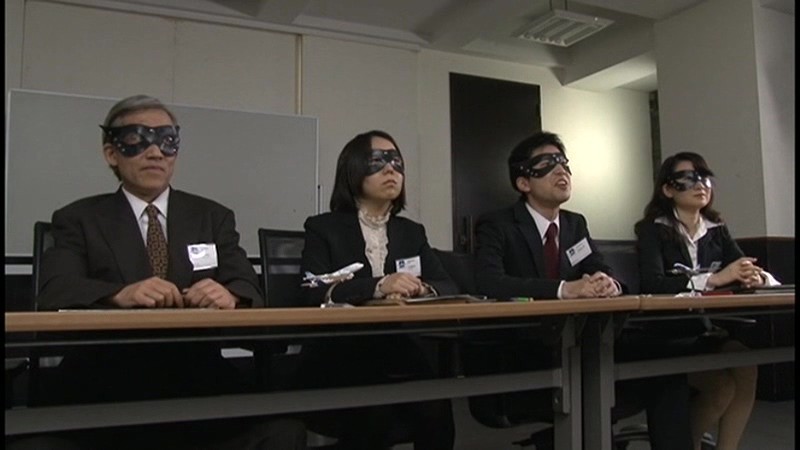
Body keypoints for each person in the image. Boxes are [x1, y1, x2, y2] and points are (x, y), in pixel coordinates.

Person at [33, 94, 306, 450]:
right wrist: (119, 295)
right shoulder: (79, 219)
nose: (155, 152)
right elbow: (56, 289)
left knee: (283, 432)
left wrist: (230, 295)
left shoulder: (212, 216)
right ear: (111, 153)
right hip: (106, 385)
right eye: (137, 140)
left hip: (198, 383)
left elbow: (246, 285)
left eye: (167, 140)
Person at [473, 131, 693, 450]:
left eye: (564, 163)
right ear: (523, 182)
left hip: (582, 345)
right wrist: (564, 289)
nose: (561, 171)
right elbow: (490, 282)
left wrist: (608, 282)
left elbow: (597, 265)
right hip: (527, 348)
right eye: (547, 165)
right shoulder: (497, 224)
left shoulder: (575, 224)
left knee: (666, 367)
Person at [296, 130, 456, 449]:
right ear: (353, 170)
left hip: (401, 351)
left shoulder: (411, 232)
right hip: (341, 353)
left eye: (396, 162)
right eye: (377, 161)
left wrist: (419, 288)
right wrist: (380, 286)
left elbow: (447, 284)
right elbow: (312, 289)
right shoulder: (323, 227)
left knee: (438, 408)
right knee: (374, 416)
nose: (390, 169)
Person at [634, 151, 779, 450]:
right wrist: (712, 279)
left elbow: (742, 266)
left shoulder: (716, 229)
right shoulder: (652, 229)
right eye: (688, 178)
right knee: (721, 387)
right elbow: (654, 284)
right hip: (668, 334)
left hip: (708, 330)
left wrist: (758, 278)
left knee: (746, 365)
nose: (700, 184)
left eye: (705, 177)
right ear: (668, 189)